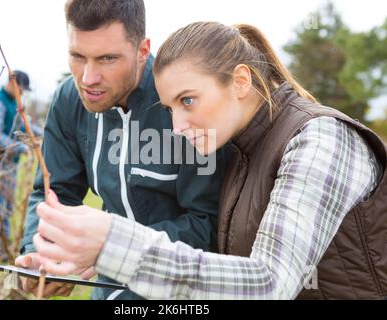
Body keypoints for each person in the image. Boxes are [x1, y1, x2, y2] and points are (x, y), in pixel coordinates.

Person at [33, 22, 387, 300]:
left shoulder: (321, 140)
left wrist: (113, 243)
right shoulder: (236, 150)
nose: (177, 126)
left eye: (188, 101)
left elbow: (268, 284)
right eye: (170, 108)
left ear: (240, 81)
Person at [15, 1, 226, 300]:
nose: (88, 78)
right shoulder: (69, 100)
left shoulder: (184, 102)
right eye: (77, 56)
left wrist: (111, 246)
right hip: (108, 289)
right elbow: (54, 191)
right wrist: (42, 255)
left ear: (142, 51)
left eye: (107, 59)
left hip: (183, 291)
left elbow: (208, 223)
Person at [0, 70, 42, 261]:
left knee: (7, 206)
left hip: (10, 163)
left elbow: (22, 125)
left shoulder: (13, 103)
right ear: (12, 83)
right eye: (21, 88)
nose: (23, 93)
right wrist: (21, 147)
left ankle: (3, 246)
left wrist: (44, 133)